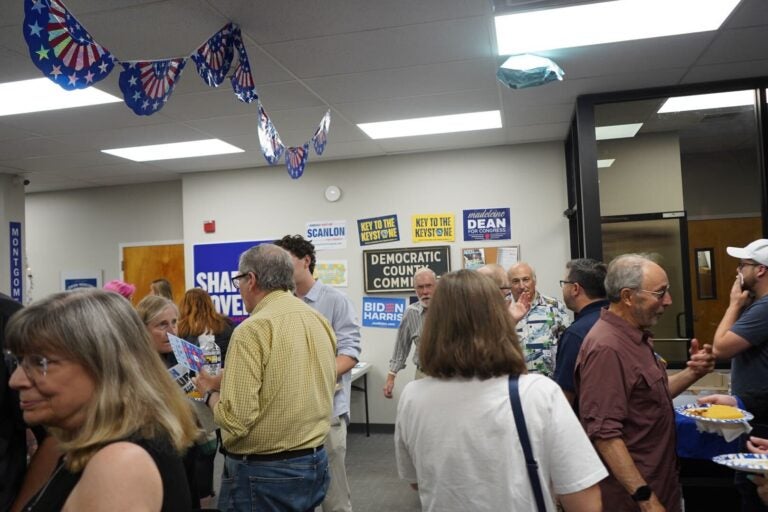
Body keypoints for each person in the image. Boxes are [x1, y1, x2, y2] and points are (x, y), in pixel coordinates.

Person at [394, 270, 607, 511]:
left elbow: (415, 481)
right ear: (498, 319)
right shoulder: (539, 394)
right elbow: (583, 497)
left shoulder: (413, 397)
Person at [6, 289, 198, 511]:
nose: (16, 380)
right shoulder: (95, 447)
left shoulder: (120, 465)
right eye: (19, 362)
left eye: (40, 363)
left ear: (104, 366)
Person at [194, 244, 337, 512]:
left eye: (239, 280)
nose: (238, 288)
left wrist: (208, 393)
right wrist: (229, 378)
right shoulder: (317, 319)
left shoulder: (252, 329)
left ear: (252, 280)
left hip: (264, 473)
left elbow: (237, 419)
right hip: (314, 461)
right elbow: (288, 376)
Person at [575, 254, 716, 511]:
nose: (668, 301)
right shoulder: (607, 348)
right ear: (628, 296)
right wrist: (646, 499)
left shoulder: (634, 338)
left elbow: (651, 397)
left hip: (663, 486)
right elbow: (605, 435)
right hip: (633, 501)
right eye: (660, 293)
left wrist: (693, 372)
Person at [275, 234, 361, 512]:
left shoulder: (335, 301)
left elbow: (349, 353)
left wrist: (311, 376)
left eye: (285, 261)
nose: (280, 269)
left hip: (327, 411)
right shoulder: (280, 304)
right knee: (299, 497)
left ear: (306, 261)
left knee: (334, 497)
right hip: (291, 415)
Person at [712, 239, 768, 511]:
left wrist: (733, 304)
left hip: (761, 423)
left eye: (742, 265)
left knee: (753, 493)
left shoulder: (765, 307)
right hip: (755, 411)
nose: (737, 271)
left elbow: (721, 348)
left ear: (760, 270)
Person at [136, 295, 205, 507]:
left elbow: (199, 396)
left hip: (188, 447)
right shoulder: (135, 365)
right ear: (142, 328)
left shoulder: (184, 353)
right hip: (154, 452)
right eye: (162, 324)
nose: (172, 331)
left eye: (174, 322)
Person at [552, 258, 609, 407]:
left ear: (575, 288)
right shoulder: (619, 320)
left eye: (564, 283)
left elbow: (565, 398)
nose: (563, 288)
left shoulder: (576, 335)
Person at [508, 262, 570, 376]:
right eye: (516, 281)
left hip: (549, 381)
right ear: (509, 284)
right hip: (514, 383)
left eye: (526, 279)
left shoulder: (554, 306)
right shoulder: (501, 309)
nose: (522, 286)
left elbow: (567, 345)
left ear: (534, 281)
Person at [383, 268, 436, 399]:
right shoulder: (410, 313)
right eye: (420, 287)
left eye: (429, 286)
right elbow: (401, 347)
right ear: (415, 290)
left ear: (437, 286)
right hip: (423, 374)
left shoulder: (452, 309)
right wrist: (390, 378)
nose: (425, 292)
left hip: (451, 377)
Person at [177, 288, 234, 366]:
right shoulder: (227, 324)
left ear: (185, 306)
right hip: (224, 373)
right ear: (209, 303)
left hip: (193, 375)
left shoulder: (181, 329)